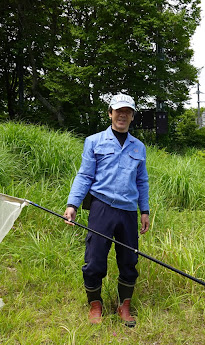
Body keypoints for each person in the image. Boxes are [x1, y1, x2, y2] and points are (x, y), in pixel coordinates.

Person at [64, 93, 150, 327]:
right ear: (110, 113)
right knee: (94, 260)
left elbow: (142, 180)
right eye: (118, 111)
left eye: (127, 111)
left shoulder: (138, 147)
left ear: (132, 116)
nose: (122, 115)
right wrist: (72, 204)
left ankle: (125, 305)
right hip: (102, 207)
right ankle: (95, 305)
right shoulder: (94, 141)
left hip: (128, 211)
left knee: (129, 260)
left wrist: (145, 210)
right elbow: (85, 175)